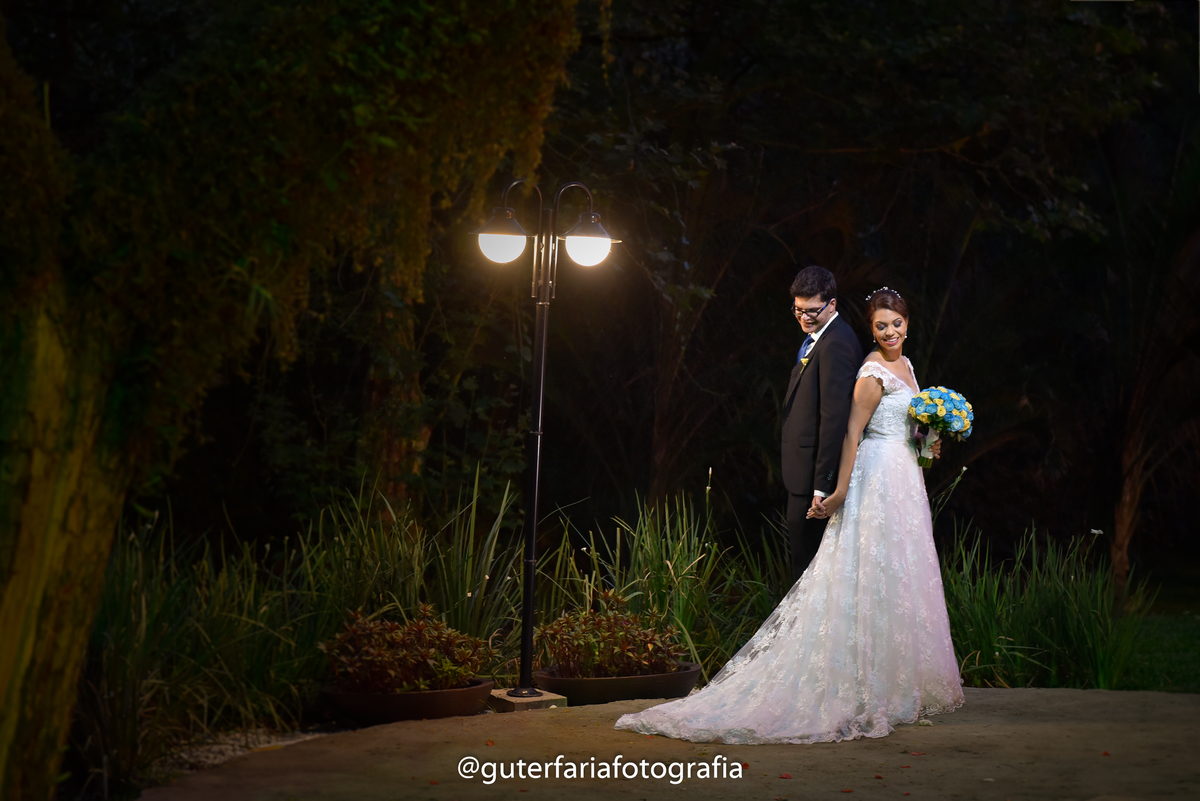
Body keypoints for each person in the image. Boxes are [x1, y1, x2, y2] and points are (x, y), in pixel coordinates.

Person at [614, 288, 963, 744]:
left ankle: (896, 683)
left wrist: (926, 443)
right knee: (866, 572)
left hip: (904, 480)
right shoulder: (871, 372)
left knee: (900, 574)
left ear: (907, 324)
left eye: (896, 324)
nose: (890, 332)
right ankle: (857, 686)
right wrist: (839, 492)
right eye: (881, 326)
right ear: (871, 329)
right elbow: (850, 435)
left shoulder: (908, 367)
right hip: (875, 478)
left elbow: (908, 430)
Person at [780, 266, 863, 583]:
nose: (804, 318)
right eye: (798, 310)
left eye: (812, 311)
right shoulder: (819, 337)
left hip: (814, 483)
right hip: (802, 474)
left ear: (832, 304)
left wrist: (822, 486)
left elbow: (834, 418)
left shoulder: (837, 343)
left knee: (808, 574)